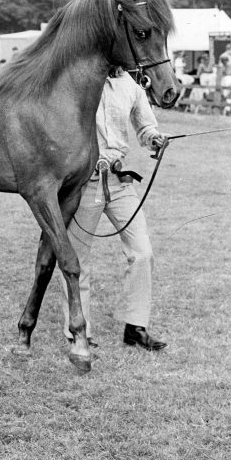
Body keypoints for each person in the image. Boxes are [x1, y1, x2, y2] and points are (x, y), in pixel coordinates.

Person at [61, 66, 168, 352]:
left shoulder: (131, 86)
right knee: (77, 259)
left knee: (142, 252)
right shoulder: (80, 78)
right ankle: (78, 331)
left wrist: (154, 138)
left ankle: (135, 327)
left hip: (121, 182)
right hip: (86, 183)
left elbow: (145, 126)